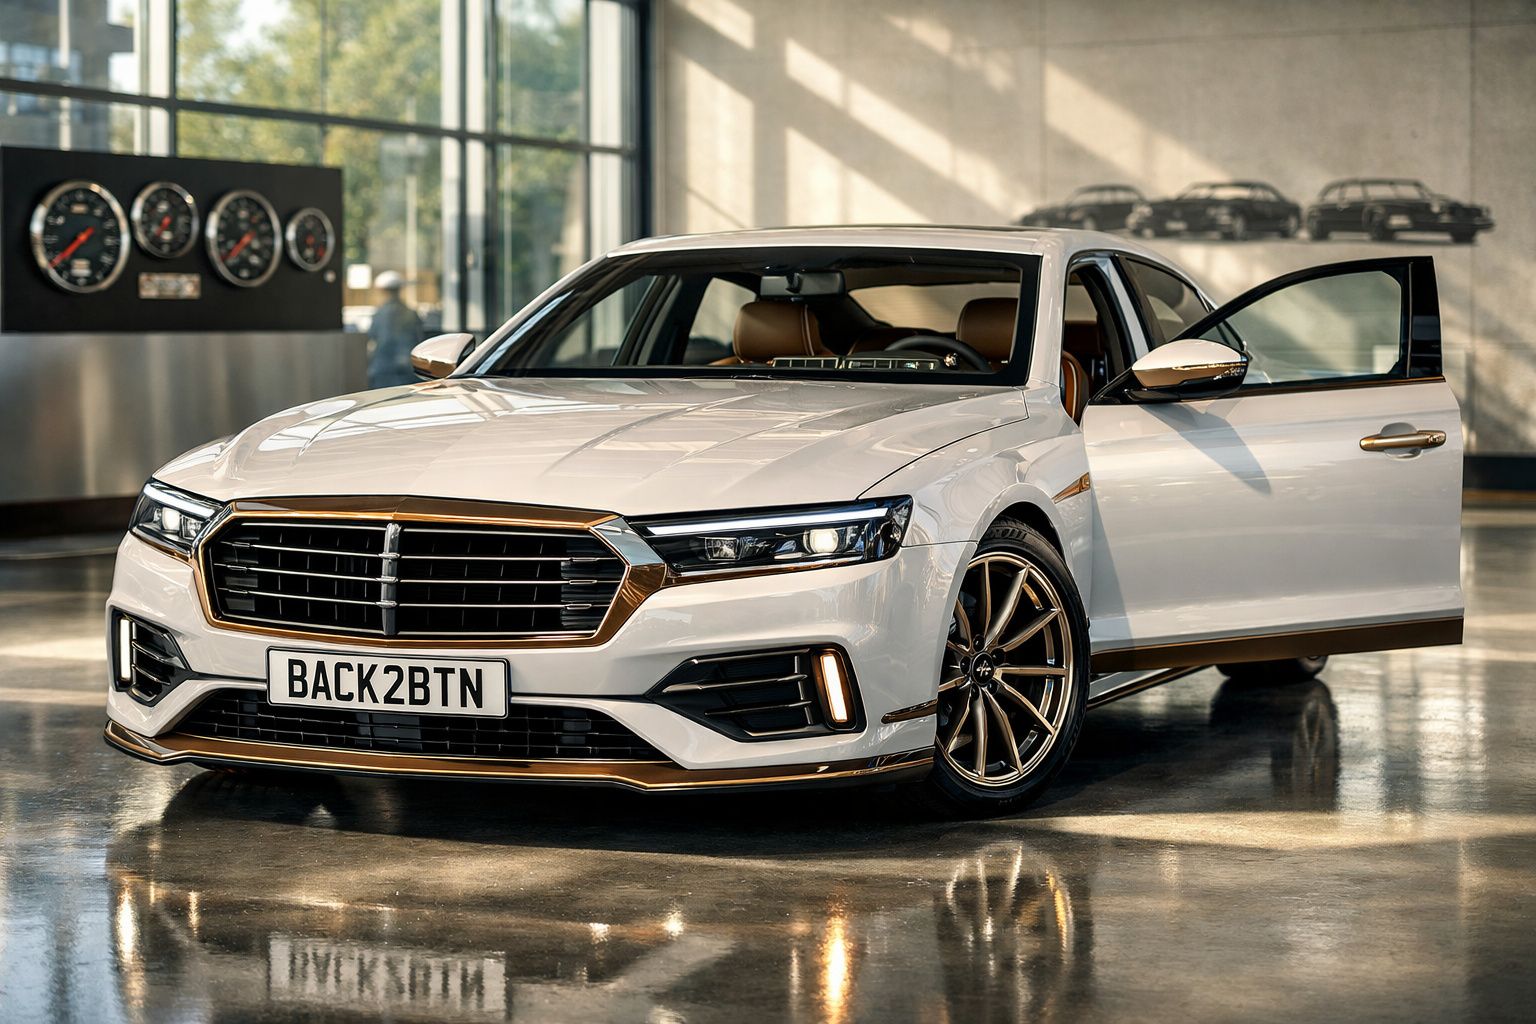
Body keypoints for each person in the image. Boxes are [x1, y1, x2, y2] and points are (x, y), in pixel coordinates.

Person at [366, 271, 424, 387]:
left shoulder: (379, 314)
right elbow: (419, 339)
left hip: (383, 369)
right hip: (408, 368)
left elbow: (372, 336)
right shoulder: (411, 313)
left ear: (383, 291)